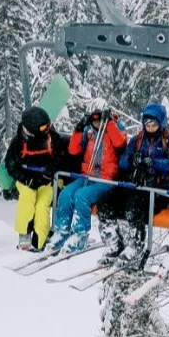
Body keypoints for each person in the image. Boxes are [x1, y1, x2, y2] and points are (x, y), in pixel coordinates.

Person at [51, 105, 128, 253]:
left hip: (106, 179)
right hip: (88, 175)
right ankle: (62, 231)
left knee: (81, 196)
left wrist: (110, 122)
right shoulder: (89, 132)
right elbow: (74, 150)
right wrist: (79, 129)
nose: (97, 123)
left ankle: (80, 235)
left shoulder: (116, 127)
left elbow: (120, 144)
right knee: (66, 194)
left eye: (99, 119)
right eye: (93, 120)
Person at [115, 101, 169, 245]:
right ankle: (115, 241)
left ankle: (136, 245)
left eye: (154, 125)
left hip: (160, 190)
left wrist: (153, 163)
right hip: (138, 185)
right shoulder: (138, 140)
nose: (151, 129)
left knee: (134, 209)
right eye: (148, 125)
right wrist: (132, 159)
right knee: (108, 203)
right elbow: (122, 162)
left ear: (161, 124)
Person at [3, 104, 61, 250]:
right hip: (26, 180)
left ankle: (40, 242)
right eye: (43, 128)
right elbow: (10, 165)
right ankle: (24, 233)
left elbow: (60, 157)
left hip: (46, 181)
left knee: (42, 207)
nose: (47, 129)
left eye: (48, 126)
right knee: (27, 197)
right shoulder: (19, 142)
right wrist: (24, 178)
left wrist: (50, 171)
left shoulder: (52, 138)